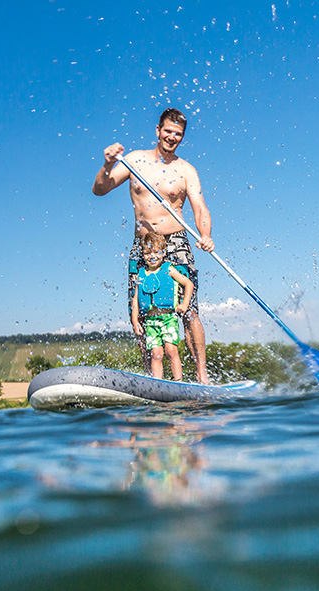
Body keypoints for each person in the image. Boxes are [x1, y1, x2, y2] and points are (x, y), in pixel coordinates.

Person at [93, 108, 214, 384]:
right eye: (168, 131)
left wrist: (205, 234)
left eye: (178, 134)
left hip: (176, 242)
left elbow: (200, 208)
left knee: (189, 309)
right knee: (143, 312)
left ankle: (202, 375)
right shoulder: (134, 160)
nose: (173, 137)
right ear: (157, 130)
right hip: (143, 245)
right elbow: (100, 189)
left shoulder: (186, 170)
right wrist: (107, 164)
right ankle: (153, 379)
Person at [131, 232, 194, 381]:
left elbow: (188, 284)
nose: (151, 256)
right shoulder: (141, 275)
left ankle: (178, 381)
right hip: (151, 321)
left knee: (171, 351)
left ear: (163, 252)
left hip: (168, 318)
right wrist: (135, 321)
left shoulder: (168, 269)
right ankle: (158, 383)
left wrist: (184, 303)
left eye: (155, 252)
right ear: (143, 254)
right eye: (147, 253)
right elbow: (135, 300)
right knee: (155, 354)